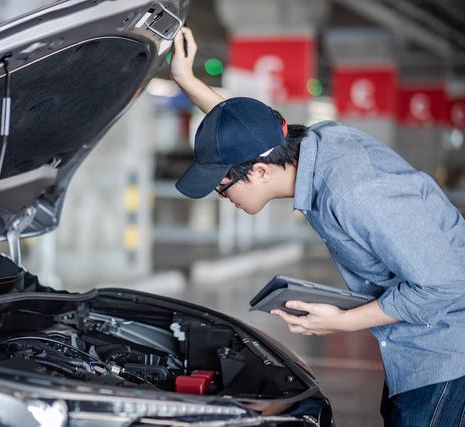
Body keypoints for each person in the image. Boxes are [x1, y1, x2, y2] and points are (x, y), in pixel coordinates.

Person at [170, 27, 465, 426]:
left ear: (259, 171)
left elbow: (444, 284)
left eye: (223, 188)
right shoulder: (312, 142)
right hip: (414, 344)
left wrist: (340, 322)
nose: (223, 197)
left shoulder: (354, 192)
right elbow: (245, 130)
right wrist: (187, 81)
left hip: (445, 349)